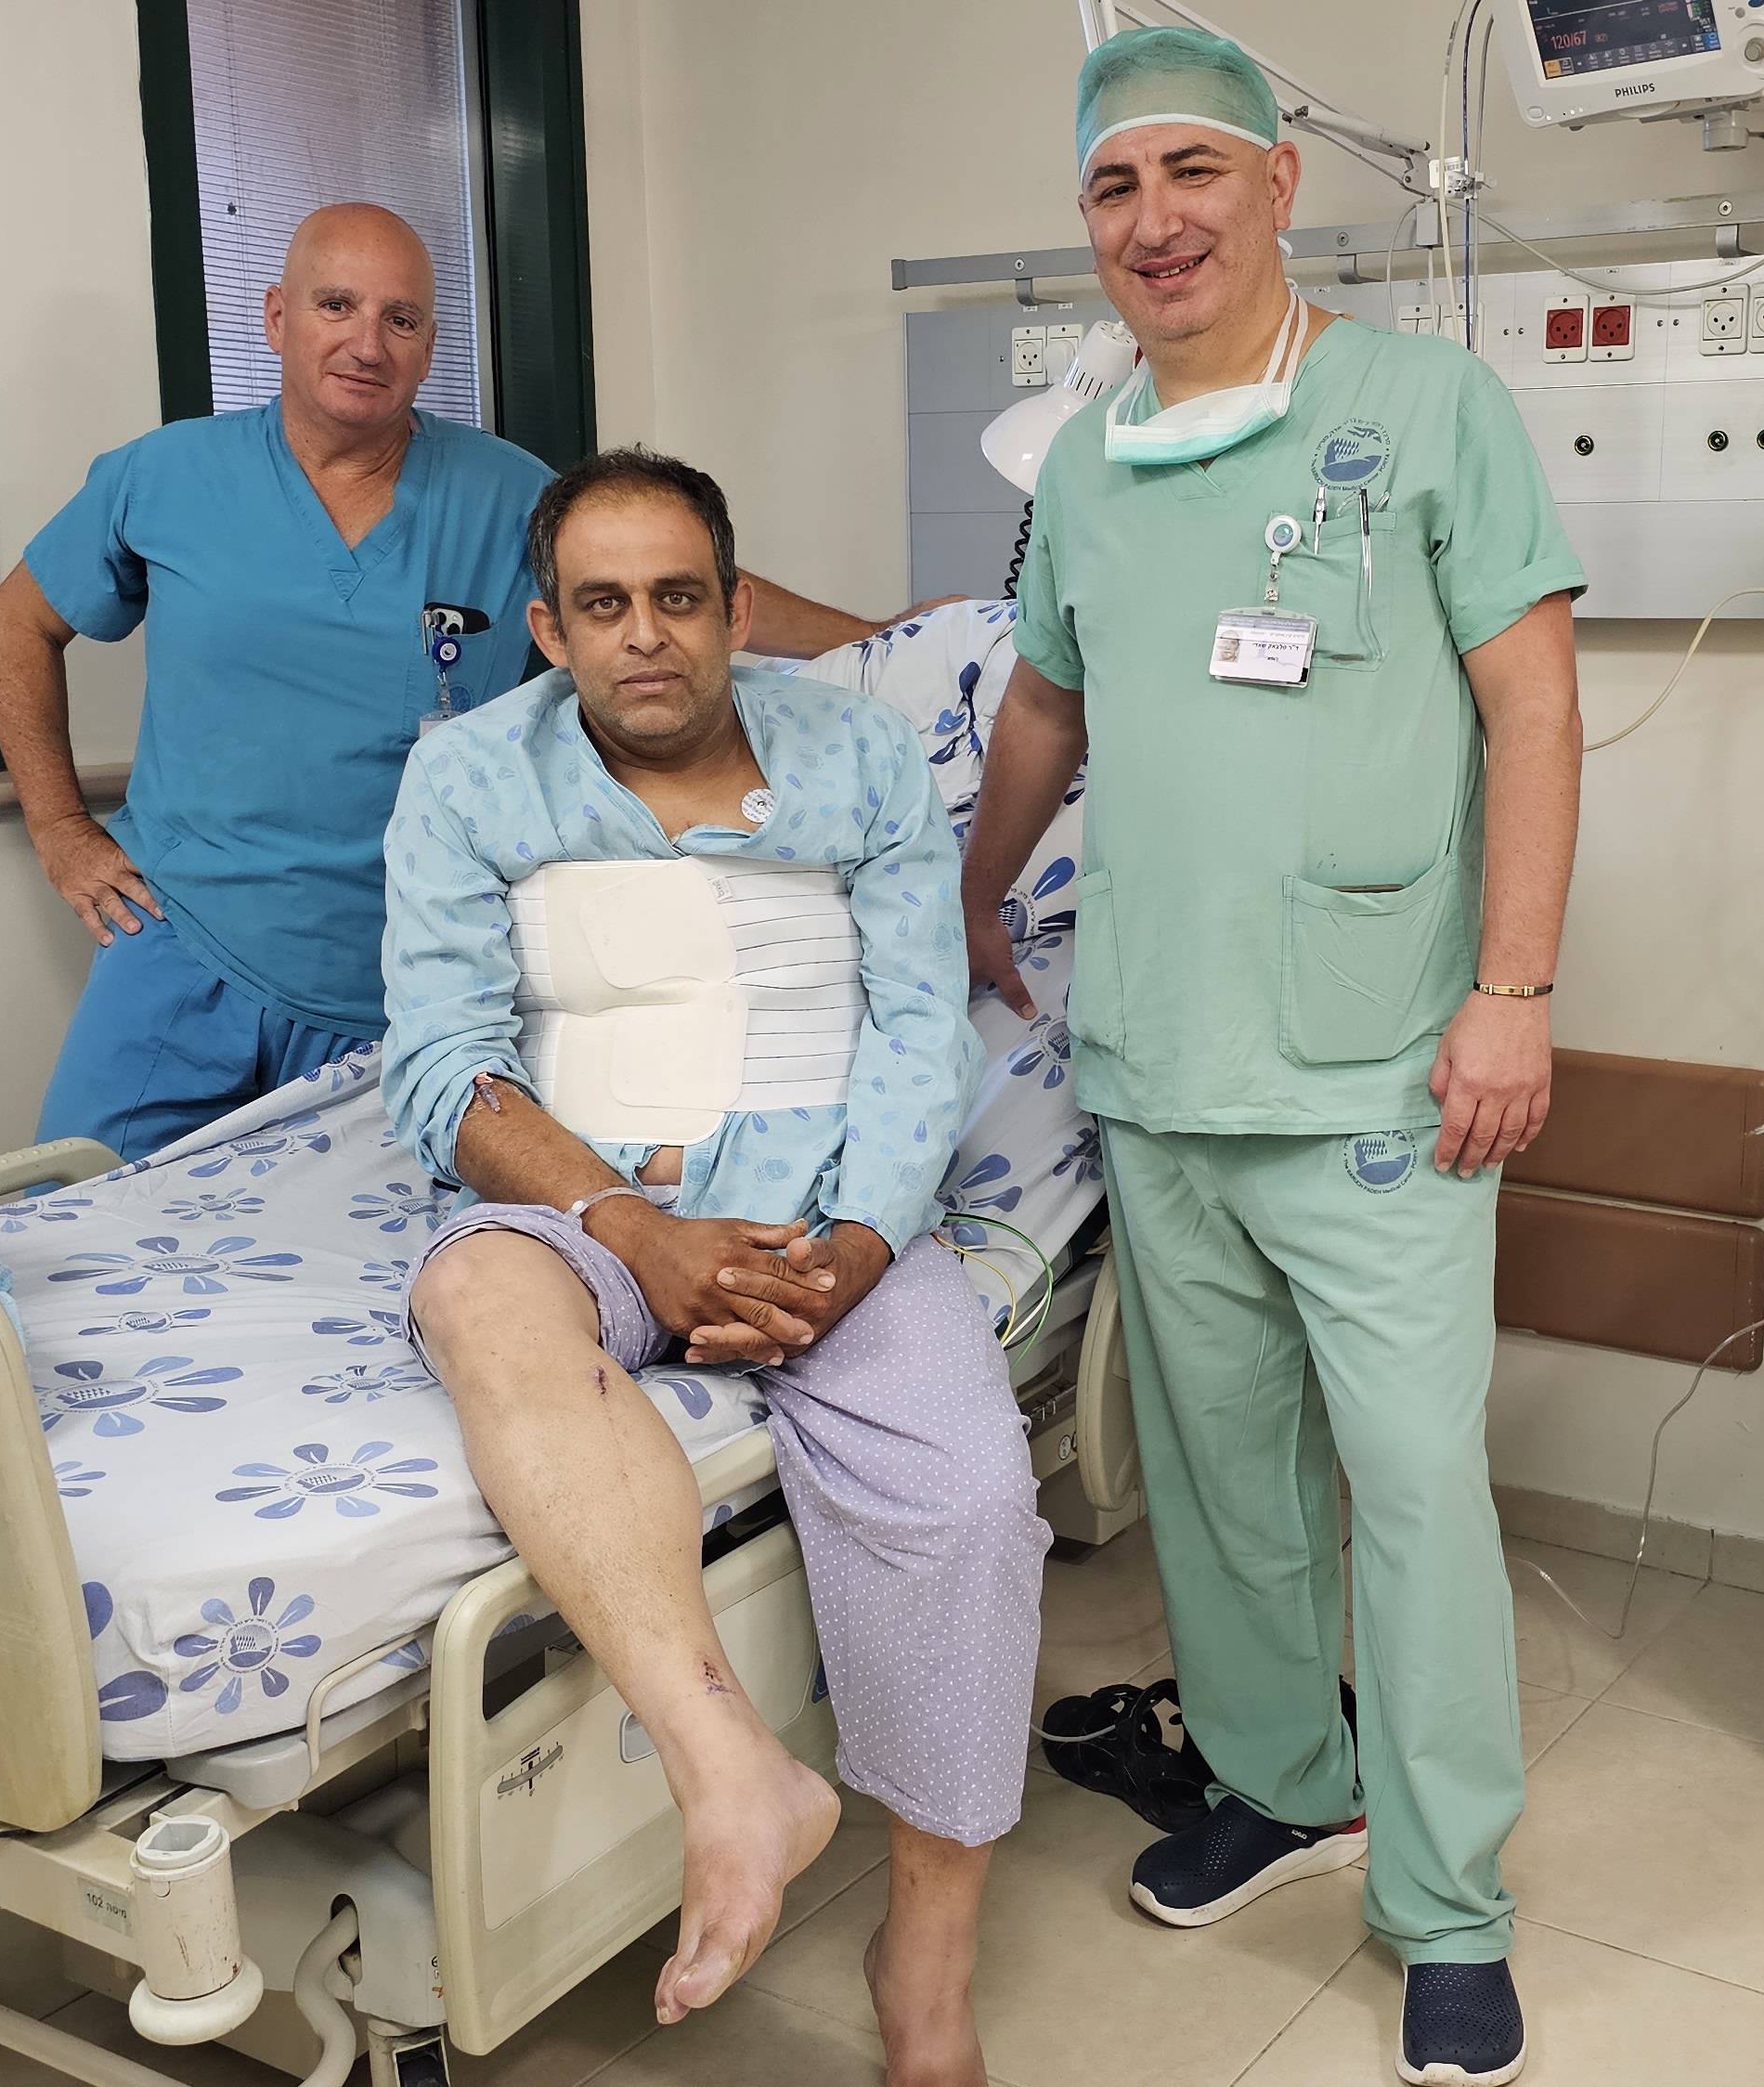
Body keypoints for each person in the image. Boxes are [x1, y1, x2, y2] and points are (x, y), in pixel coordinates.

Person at [955, 29, 1585, 2087]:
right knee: (1222, 1487)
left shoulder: (1422, 405)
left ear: (1278, 182)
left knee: (1407, 1488)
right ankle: (1280, 1779)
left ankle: (1446, 1899)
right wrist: (972, 891)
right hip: (1158, 1058)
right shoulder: (1083, 464)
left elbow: (1532, 704)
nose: (1152, 220)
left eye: (1191, 172)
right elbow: (1041, 706)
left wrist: (1511, 987)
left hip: (1380, 1062)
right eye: (1111, 185)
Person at [383, 448, 1049, 2087]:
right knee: (471, 1294)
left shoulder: (857, 756)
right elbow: (443, 1067)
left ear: (737, 609)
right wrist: (632, 1230)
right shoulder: (468, 776)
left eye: (678, 596)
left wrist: (861, 1241)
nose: (645, 634)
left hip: (829, 1210)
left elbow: (922, 1022)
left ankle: (929, 1958)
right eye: (602, 604)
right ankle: (730, 1768)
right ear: (548, 629)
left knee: (968, 1499)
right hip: (590, 1204)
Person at [0, 202, 905, 1160]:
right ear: (276, 317)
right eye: (335, 305)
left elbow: (671, 587)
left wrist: (884, 635)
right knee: (62, 1209)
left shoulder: (503, 492)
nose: (366, 343)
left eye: (402, 319)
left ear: (428, 348)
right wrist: (59, 830)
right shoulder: (164, 476)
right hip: (182, 945)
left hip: (412, 971)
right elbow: (15, 624)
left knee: (370, 1241)